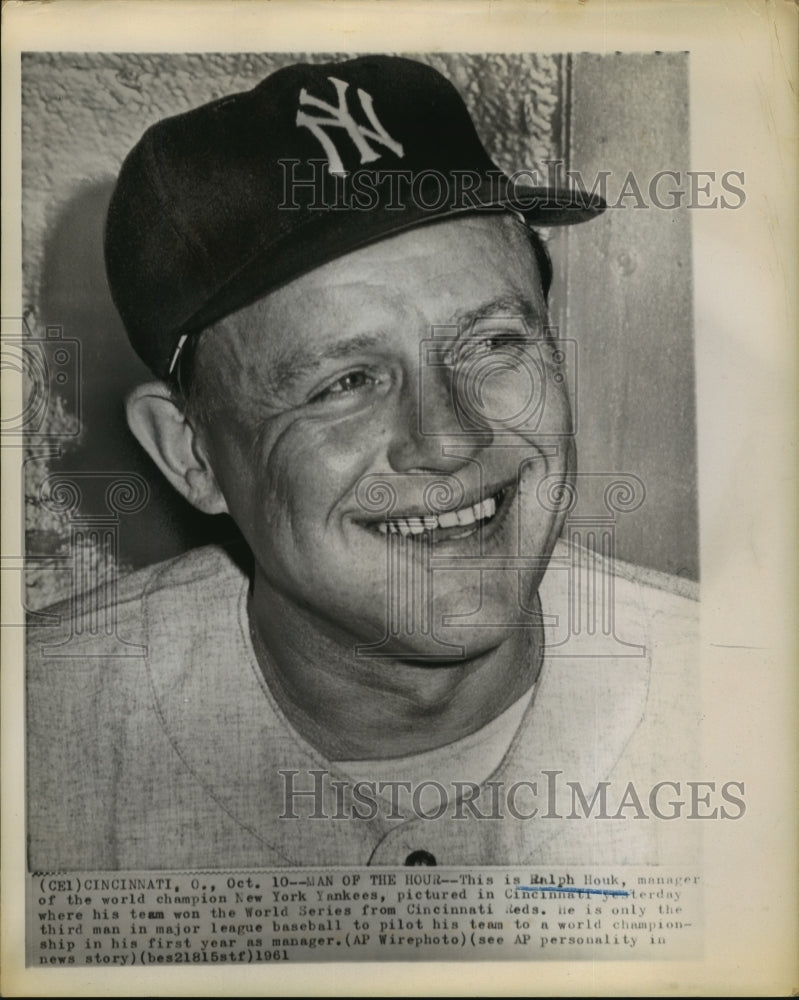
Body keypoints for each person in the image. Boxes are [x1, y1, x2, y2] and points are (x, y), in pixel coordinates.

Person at [27, 55, 700, 871]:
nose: (448, 440)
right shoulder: (32, 740)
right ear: (190, 454)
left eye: (492, 344)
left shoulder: (747, 696)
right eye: (344, 382)